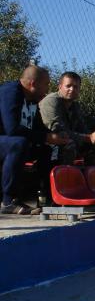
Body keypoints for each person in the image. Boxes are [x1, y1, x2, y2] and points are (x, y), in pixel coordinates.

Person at [0, 66, 69, 214]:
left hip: (12, 143)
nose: (47, 88)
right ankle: (8, 201)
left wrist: (54, 137)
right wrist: (46, 137)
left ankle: (46, 198)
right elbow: (11, 129)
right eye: (46, 84)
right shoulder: (11, 92)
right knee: (19, 143)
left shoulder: (32, 99)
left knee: (46, 149)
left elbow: (38, 128)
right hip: (7, 141)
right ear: (33, 84)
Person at [39, 71, 95, 165]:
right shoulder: (51, 101)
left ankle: (94, 176)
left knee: (94, 146)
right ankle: (63, 177)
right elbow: (57, 130)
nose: (72, 89)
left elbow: (82, 129)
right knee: (69, 144)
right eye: (68, 86)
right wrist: (89, 137)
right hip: (46, 141)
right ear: (60, 86)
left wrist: (94, 138)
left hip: (66, 138)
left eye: (76, 87)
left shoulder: (75, 106)